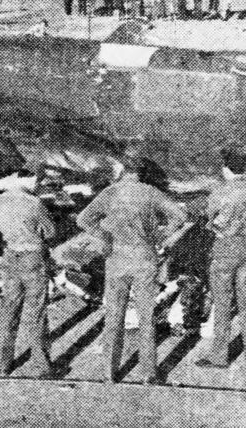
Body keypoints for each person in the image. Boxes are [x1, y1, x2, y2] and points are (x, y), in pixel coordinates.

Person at [76, 150, 188, 384]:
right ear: (141, 174)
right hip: (145, 259)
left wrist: (104, 236)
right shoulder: (150, 192)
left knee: (114, 316)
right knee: (146, 317)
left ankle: (109, 373)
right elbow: (179, 216)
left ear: (121, 171)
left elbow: (83, 220)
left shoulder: (110, 193)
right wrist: (160, 235)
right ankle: (149, 374)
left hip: (117, 258)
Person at [195, 149, 246, 368]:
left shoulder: (220, 191)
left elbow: (208, 218)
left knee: (223, 302)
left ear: (226, 169)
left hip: (226, 247)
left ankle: (219, 357)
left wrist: (215, 226)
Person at [0, 169, 56, 378]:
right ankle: (42, 365)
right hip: (33, 258)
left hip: (10, 256)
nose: (37, 184)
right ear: (25, 179)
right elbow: (51, 232)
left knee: (9, 309)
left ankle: (4, 363)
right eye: (36, 180)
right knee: (36, 312)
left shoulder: (0, 200)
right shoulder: (34, 203)